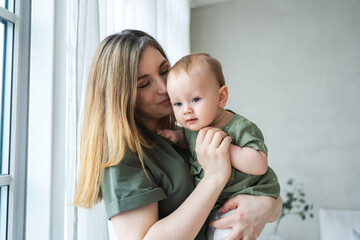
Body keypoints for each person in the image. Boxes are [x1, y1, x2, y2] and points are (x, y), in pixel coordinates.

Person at [73, 29, 282, 240]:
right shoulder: (123, 157)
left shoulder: (184, 134)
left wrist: (267, 205)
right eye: (145, 83)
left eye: (164, 71)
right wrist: (215, 177)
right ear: (122, 96)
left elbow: (258, 185)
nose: (164, 88)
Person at [159, 53, 281, 239]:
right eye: (177, 103)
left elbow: (259, 164)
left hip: (243, 199)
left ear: (221, 97)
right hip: (213, 207)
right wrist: (178, 137)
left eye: (195, 99)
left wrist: (226, 149)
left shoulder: (239, 127)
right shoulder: (193, 128)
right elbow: (191, 143)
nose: (186, 110)